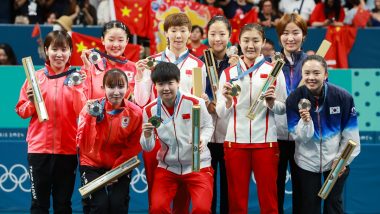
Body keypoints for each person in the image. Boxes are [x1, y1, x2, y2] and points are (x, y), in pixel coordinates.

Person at [133, 13, 207, 212]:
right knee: (156, 194)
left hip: (185, 133)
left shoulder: (197, 65)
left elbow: (199, 105)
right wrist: (139, 78)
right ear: (165, 33)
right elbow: (140, 101)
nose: (178, 35)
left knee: (183, 189)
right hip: (158, 131)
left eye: (183, 30)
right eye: (173, 30)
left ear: (190, 33)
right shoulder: (150, 62)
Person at [216, 23, 287, 213]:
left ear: (263, 42)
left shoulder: (274, 71)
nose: (250, 45)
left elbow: (283, 108)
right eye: (246, 40)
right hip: (235, 142)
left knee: (269, 200)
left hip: (265, 142)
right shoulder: (228, 73)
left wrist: (272, 103)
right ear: (238, 43)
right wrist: (229, 101)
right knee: (236, 201)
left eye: (256, 40)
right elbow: (221, 112)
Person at [15, 30, 86, 213]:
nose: (59, 54)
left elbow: (82, 111)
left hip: (67, 150)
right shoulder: (35, 77)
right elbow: (21, 111)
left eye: (64, 49)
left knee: (63, 205)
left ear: (70, 51)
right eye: (55, 49)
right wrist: (31, 103)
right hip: (39, 151)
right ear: (46, 50)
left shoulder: (77, 78)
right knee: (39, 205)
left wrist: (77, 89)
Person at [286, 55, 361, 214]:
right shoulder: (294, 98)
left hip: (335, 161)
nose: (311, 77)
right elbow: (298, 137)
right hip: (306, 163)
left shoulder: (343, 97)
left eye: (316, 73)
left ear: (325, 74)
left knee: (333, 205)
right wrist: (306, 123)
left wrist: (341, 161)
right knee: (308, 206)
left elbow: (351, 135)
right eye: (306, 73)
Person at [140, 62, 214, 213]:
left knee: (202, 209)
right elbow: (147, 147)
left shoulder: (195, 102)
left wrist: (203, 139)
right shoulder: (149, 110)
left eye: (170, 83)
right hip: (168, 166)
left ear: (178, 82)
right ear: (155, 85)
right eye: (161, 84)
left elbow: (208, 126)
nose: (166, 88)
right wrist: (147, 135)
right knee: (158, 208)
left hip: (197, 164)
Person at [77, 68, 142, 214]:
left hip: (120, 164)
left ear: (128, 87)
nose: (116, 91)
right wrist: (89, 117)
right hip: (91, 163)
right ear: (103, 88)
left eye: (120, 86)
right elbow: (82, 141)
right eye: (111, 87)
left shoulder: (136, 113)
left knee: (117, 206)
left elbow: (133, 146)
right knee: (99, 206)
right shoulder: (92, 108)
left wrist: (115, 171)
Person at [198, 15, 238, 214]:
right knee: (207, 189)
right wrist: (206, 104)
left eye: (222, 34)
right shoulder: (198, 63)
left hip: (230, 133)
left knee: (229, 189)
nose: (217, 39)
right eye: (212, 34)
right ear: (207, 36)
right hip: (205, 137)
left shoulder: (238, 65)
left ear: (230, 35)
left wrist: (237, 68)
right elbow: (194, 95)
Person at [274, 13, 308, 214]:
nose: (290, 38)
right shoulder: (270, 63)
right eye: (285, 33)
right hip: (275, 135)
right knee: (275, 188)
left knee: (303, 190)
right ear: (279, 37)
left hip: (302, 136)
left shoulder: (312, 64)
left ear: (303, 35)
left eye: (295, 33)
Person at [81, 20, 137, 100]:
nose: (115, 44)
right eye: (111, 40)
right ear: (102, 40)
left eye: (120, 40)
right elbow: (82, 101)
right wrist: (87, 70)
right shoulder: (91, 67)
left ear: (127, 41)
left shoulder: (134, 68)